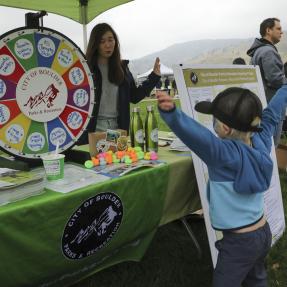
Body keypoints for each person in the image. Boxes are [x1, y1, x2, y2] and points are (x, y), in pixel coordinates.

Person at [157, 85, 287, 287]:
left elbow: (199, 137)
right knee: (256, 279)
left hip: (238, 242)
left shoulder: (222, 155)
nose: (212, 123)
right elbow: (272, 114)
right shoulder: (261, 139)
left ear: (225, 128)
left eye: (214, 119)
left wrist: (173, 114)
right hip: (263, 232)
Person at [78, 23, 161, 144]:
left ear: (115, 42)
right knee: (96, 161)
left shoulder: (122, 68)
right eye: (102, 41)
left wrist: (154, 76)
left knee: (115, 160)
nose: (107, 45)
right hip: (92, 129)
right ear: (95, 44)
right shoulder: (86, 69)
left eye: (110, 40)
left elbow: (134, 96)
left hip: (116, 129)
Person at [247, 18, 287, 145]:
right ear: (268, 30)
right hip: (272, 109)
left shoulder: (258, 51)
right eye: (278, 29)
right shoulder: (268, 51)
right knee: (271, 148)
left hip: (260, 107)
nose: (282, 32)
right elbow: (276, 80)